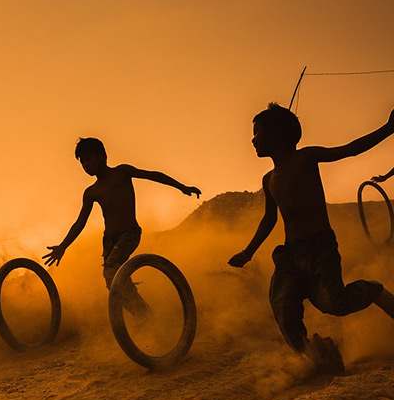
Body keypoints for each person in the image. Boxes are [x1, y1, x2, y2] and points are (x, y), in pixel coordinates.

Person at [228, 103, 394, 369]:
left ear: (278, 134)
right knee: (282, 307)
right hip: (290, 254)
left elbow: (349, 150)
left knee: (334, 303)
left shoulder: (306, 158)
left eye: (257, 132)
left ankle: (374, 291)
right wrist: (248, 252)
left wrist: (388, 129)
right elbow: (270, 219)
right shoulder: (268, 178)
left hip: (320, 249)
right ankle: (313, 358)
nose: (253, 139)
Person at [43, 137, 200, 312]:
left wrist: (182, 187)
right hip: (109, 240)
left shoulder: (121, 173)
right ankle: (143, 315)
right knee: (112, 281)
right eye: (82, 162)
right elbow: (80, 222)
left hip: (129, 234)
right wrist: (63, 246)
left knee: (112, 270)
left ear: (102, 156)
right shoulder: (91, 192)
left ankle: (144, 314)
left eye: (88, 159)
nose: (86, 165)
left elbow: (152, 175)